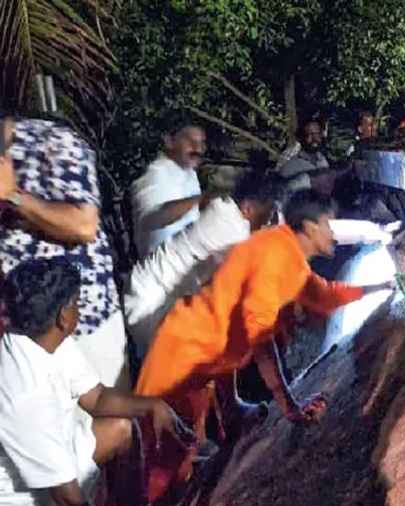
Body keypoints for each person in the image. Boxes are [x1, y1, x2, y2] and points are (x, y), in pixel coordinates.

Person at [134, 188, 394, 504]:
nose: (332, 232)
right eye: (328, 224)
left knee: (177, 449)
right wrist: (290, 406)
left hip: (201, 349)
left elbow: (324, 294)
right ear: (310, 228)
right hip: (184, 355)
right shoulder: (274, 258)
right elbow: (260, 341)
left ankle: (221, 425)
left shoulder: (289, 256)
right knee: (163, 463)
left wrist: (380, 286)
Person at [0, 258, 192, 506]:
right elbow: (72, 504)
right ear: (63, 316)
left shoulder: (43, 339)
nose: (80, 309)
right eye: (77, 303)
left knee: (120, 430)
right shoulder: (23, 394)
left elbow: (98, 398)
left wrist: (153, 406)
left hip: (51, 473)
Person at [0, 114, 130, 391]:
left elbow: (84, 225)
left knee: (112, 418)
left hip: (85, 325)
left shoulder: (55, 142)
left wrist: (13, 196)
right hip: (25, 334)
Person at [124, 172, 278, 356]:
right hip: (151, 305)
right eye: (266, 217)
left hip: (147, 289)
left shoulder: (222, 206)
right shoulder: (236, 231)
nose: (266, 223)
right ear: (247, 208)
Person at [131, 120, 206, 258]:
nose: (198, 149)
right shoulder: (155, 175)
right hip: (163, 269)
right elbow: (155, 218)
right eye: (190, 141)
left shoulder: (190, 174)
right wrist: (201, 200)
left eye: (201, 143)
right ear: (169, 141)